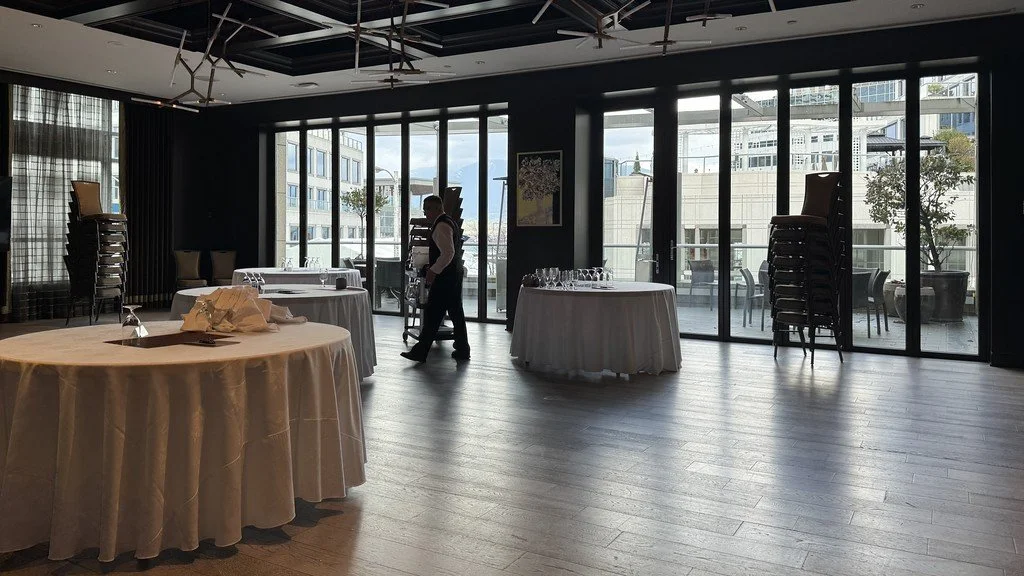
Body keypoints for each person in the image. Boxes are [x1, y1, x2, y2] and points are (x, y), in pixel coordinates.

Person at [401, 195, 470, 362]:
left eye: (427, 209)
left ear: (438, 208)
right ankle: (462, 348)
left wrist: (433, 270)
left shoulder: (441, 226)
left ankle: (421, 351)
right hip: (454, 274)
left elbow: (448, 253)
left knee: (433, 313)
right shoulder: (449, 222)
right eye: (424, 210)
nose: (425, 213)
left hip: (445, 277)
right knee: (456, 313)